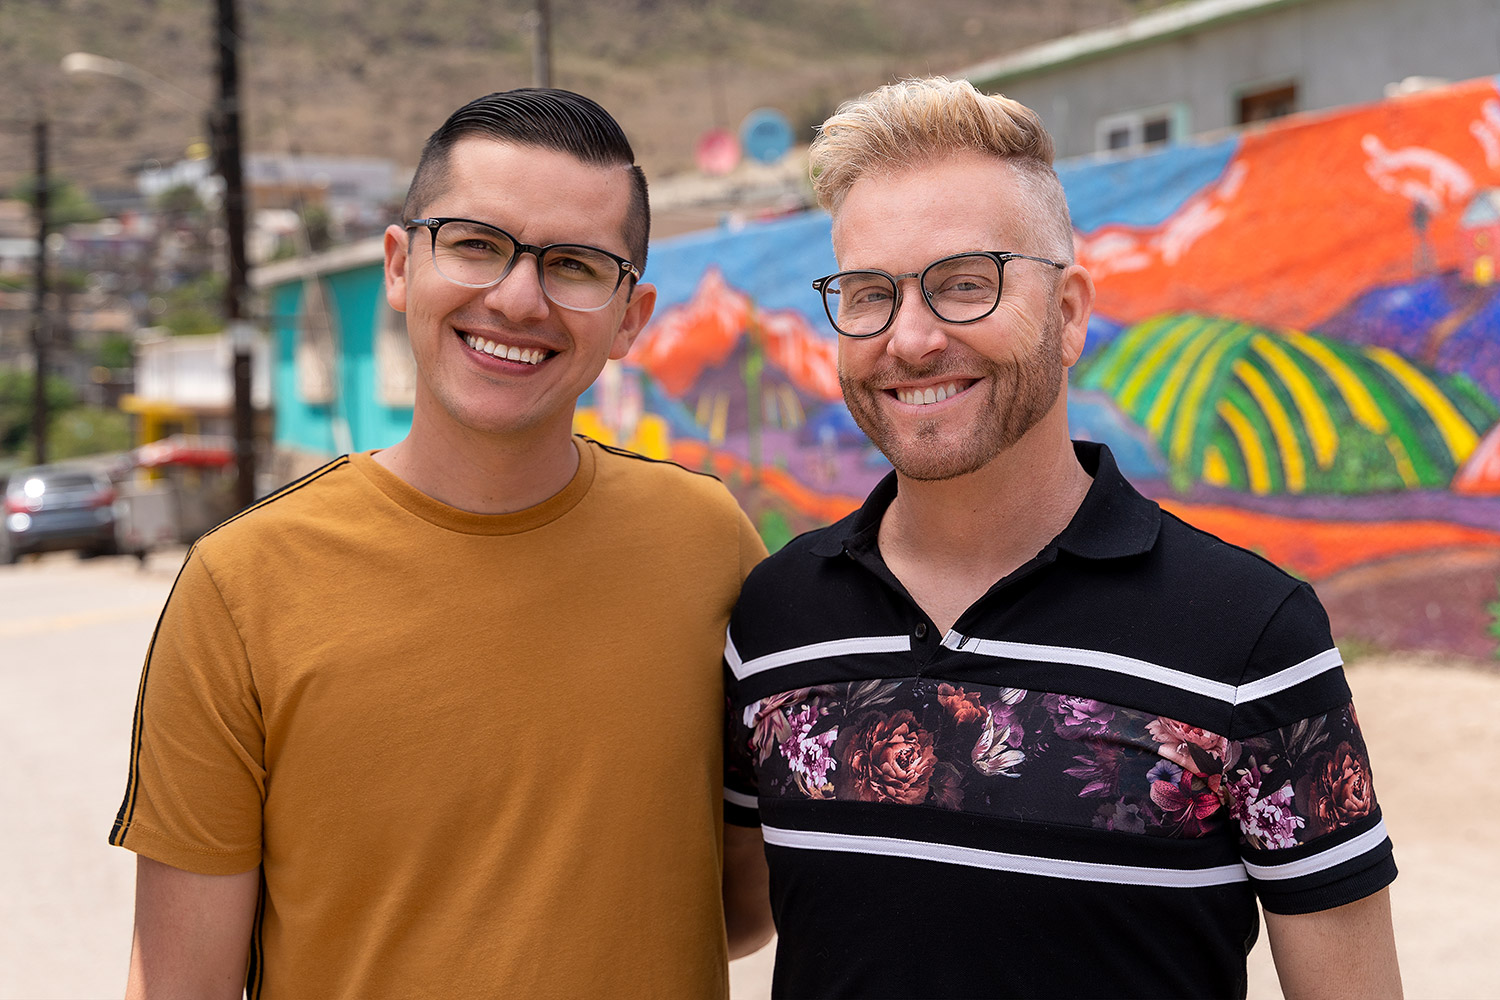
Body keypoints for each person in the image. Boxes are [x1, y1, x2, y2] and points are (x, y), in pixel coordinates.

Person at [724, 77, 1400, 999]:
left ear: (1071, 312)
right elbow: (737, 916)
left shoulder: (1251, 634)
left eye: (966, 284)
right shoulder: (774, 621)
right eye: (869, 293)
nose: (910, 338)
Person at [110, 88, 773, 999]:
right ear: (398, 264)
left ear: (631, 317)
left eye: (575, 265)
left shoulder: (710, 546)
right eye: (475, 244)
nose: (516, 297)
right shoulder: (242, 586)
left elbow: (732, 905)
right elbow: (183, 983)